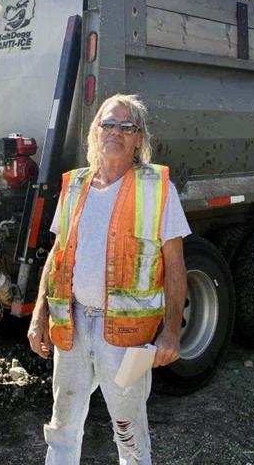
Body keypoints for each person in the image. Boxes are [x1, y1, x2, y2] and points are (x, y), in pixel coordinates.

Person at [28, 93, 190, 465]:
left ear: (138, 139)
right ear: (94, 133)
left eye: (126, 126)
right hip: (72, 324)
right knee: (63, 422)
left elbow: (176, 264)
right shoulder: (74, 186)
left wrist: (171, 330)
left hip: (125, 336)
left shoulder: (157, 187)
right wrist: (39, 315)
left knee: (128, 429)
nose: (115, 131)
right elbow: (57, 254)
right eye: (107, 123)